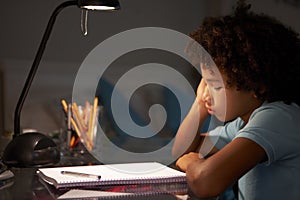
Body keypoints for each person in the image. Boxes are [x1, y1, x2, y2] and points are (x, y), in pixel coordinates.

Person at [172, 0, 300, 199]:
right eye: (203, 82)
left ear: (256, 86)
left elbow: (206, 183)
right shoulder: (243, 122)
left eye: (214, 85)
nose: (207, 93)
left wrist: (192, 163)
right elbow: (181, 149)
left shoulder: (278, 117)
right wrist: (199, 104)